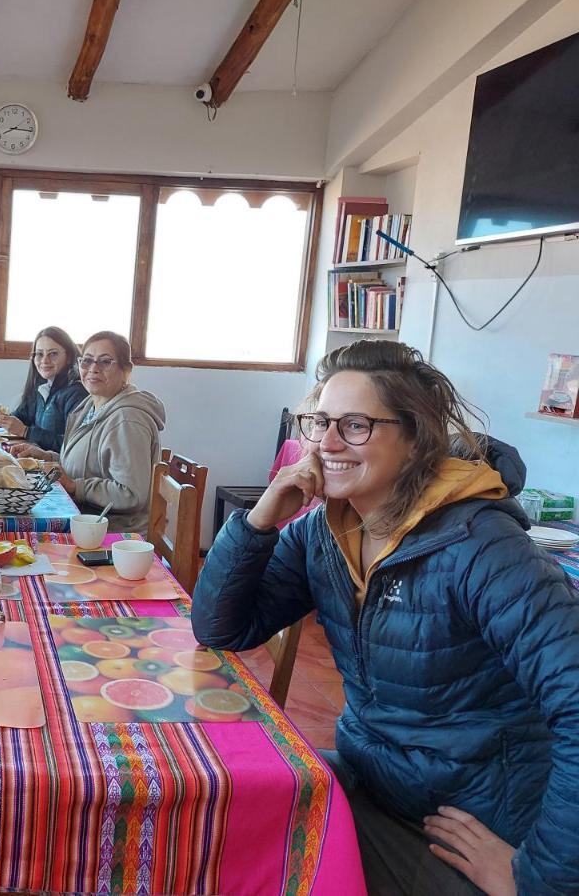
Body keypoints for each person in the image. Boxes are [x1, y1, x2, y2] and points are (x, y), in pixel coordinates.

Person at [191, 339, 579, 896]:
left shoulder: (483, 547)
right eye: (319, 420)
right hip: (373, 779)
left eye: (355, 425)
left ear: (416, 437)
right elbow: (221, 629)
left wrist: (536, 877)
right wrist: (258, 520)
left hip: (468, 819)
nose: (325, 443)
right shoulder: (326, 527)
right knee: (221, 815)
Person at [11, 331, 165, 534]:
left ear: (126, 370)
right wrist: (46, 456)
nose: (93, 369)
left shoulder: (127, 419)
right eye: (87, 361)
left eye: (105, 361)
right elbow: (88, 465)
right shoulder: (89, 406)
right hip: (84, 519)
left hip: (115, 535)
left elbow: (131, 495)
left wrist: (76, 487)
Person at [0, 326, 86, 451]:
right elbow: (23, 416)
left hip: (56, 466)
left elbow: (72, 446)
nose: (44, 360)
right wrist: (0, 420)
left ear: (69, 358)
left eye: (53, 354)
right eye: (39, 354)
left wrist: (25, 431)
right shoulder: (42, 386)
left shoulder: (77, 393)